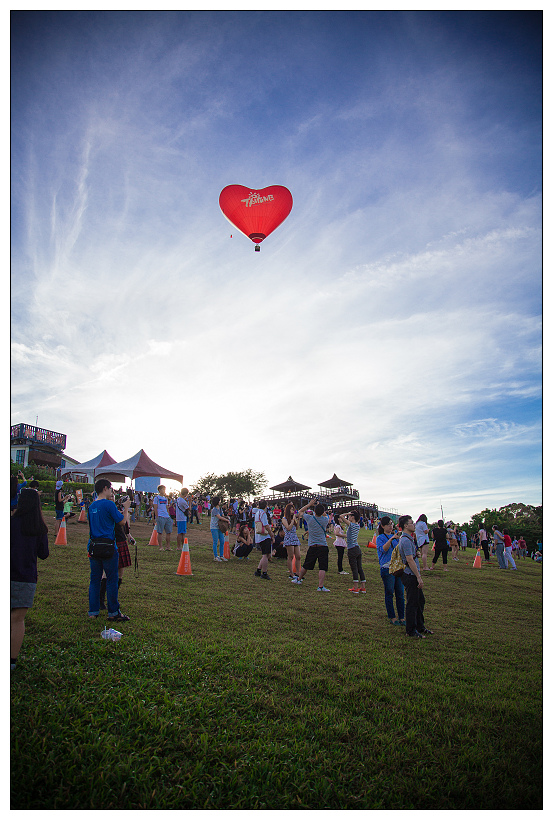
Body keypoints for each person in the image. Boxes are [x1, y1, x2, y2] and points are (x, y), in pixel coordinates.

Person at [10, 489, 49, 670]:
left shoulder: (10, 523)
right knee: (17, 620)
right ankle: (12, 661)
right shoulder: (39, 527)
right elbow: (44, 554)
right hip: (26, 578)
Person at [87, 478, 130, 622]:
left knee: (95, 580)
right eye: (111, 489)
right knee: (112, 579)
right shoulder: (109, 504)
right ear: (105, 488)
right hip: (109, 547)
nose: (112, 491)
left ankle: (93, 611)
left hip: (94, 546)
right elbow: (122, 522)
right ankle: (113, 612)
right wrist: (126, 508)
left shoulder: (91, 506)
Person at [398, 515, 432, 639]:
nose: (414, 525)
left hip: (412, 573)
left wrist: (415, 554)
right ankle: (411, 630)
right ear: (406, 526)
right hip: (411, 575)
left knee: (419, 601)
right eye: (412, 523)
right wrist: (418, 576)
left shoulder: (409, 539)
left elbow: (410, 556)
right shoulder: (406, 540)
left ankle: (419, 626)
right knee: (412, 603)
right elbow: (409, 560)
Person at [291, 500, 330, 591]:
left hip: (312, 546)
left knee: (306, 565)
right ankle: (320, 586)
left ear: (314, 511)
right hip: (323, 545)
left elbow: (300, 512)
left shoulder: (310, 518)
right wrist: (320, 506)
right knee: (322, 567)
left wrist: (309, 505)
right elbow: (324, 514)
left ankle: (299, 579)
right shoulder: (325, 520)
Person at [376, 515, 405, 625]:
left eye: (392, 524)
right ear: (383, 526)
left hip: (397, 568)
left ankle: (402, 617)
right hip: (387, 568)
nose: (390, 526)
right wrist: (392, 538)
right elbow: (383, 549)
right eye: (388, 524)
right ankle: (392, 617)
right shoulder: (380, 538)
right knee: (389, 592)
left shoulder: (397, 538)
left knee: (400, 594)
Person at [338, 509, 366, 593]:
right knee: (359, 568)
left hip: (352, 549)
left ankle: (355, 587)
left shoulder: (351, 525)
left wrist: (348, 513)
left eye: (350, 516)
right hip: (357, 548)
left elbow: (341, 516)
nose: (348, 517)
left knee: (354, 568)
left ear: (352, 517)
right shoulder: (357, 526)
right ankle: (363, 587)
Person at [253, 500, 274, 580]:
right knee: (265, 554)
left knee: (265, 554)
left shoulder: (257, 513)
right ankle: (264, 573)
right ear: (266, 506)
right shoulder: (263, 514)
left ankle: (258, 570)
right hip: (265, 536)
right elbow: (266, 525)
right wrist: (271, 533)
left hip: (259, 535)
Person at [281, 502, 301, 579]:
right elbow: (288, 528)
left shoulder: (293, 519)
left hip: (295, 537)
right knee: (291, 556)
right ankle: (291, 573)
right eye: (292, 509)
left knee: (298, 556)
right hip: (289, 537)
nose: (293, 511)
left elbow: (297, 528)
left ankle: (298, 572)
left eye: (293, 510)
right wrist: (293, 519)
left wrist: (298, 519)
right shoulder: (284, 519)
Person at [209, 497, 231, 562]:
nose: (220, 502)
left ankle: (221, 555)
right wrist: (227, 520)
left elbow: (222, 515)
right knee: (215, 541)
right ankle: (216, 556)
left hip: (219, 527)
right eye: (219, 501)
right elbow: (219, 517)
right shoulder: (214, 509)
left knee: (222, 541)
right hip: (214, 527)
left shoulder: (220, 509)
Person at [154, 485, 173, 551]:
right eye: (162, 489)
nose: (164, 491)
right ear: (159, 490)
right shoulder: (157, 498)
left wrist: (168, 515)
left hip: (166, 516)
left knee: (168, 532)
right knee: (160, 532)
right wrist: (157, 517)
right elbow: (155, 507)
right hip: (160, 516)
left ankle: (168, 546)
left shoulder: (165, 498)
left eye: (164, 489)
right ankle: (161, 546)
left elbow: (166, 507)